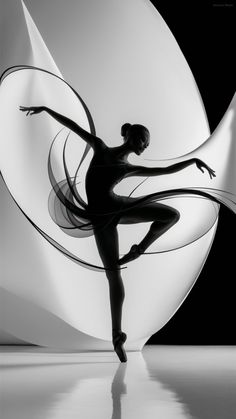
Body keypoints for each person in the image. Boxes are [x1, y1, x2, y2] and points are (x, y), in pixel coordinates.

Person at [19, 105, 216, 362]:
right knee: (114, 276)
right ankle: (117, 335)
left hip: (120, 207)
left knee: (171, 215)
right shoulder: (100, 148)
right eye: (143, 141)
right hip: (102, 219)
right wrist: (46, 109)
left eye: (147, 144)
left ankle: (139, 249)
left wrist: (192, 161)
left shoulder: (128, 167)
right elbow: (73, 127)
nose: (145, 147)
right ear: (131, 137)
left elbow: (164, 171)